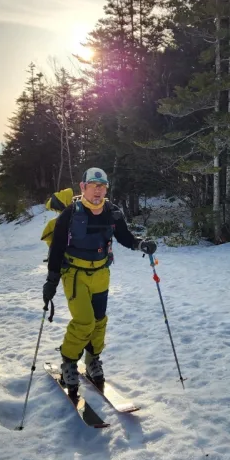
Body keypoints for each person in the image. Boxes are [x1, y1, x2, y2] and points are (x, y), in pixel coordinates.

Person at [42, 167, 156, 398]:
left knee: (99, 321)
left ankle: (92, 359)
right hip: (75, 274)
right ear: (83, 187)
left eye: (102, 186)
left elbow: (125, 237)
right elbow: (57, 248)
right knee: (84, 322)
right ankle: (69, 362)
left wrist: (140, 244)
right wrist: (52, 280)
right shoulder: (70, 213)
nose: (98, 191)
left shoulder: (112, 212)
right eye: (93, 186)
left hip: (101, 273)